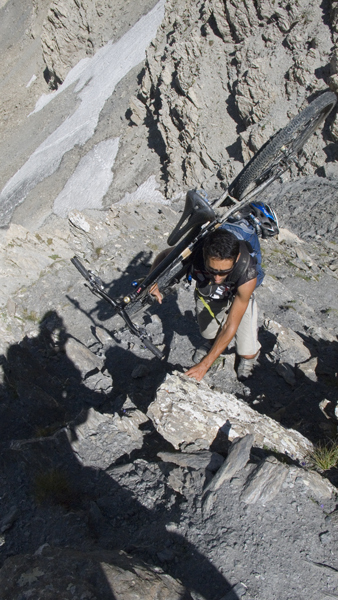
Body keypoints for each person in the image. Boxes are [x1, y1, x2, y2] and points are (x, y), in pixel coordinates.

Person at [150, 202, 278, 382]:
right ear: (204, 255)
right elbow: (164, 255)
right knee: (209, 333)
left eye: (223, 272)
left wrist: (204, 365)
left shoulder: (247, 274)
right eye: (213, 270)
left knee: (245, 347)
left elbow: (230, 326)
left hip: (238, 290)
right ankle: (213, 346)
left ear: (236, 260)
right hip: (207, 289)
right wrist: (153, 280)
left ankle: (250, 355)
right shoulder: (196, 251)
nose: (217, 278)